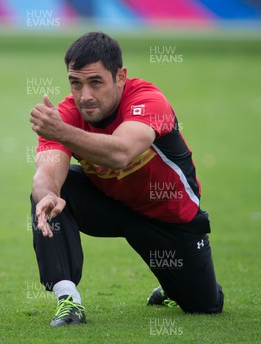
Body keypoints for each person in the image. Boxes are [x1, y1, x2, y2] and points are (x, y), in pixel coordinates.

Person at [29, 31, 223, 327]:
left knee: (205, 306)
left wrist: (62, 131)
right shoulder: (64, 116)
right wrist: (47, 192)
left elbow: (120, 154)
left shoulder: (148, 100)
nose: (85, 96)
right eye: (75, 83)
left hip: (168, 219)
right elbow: (47, 171)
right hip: (111, 206)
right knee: (49, 197)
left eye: (95, 82)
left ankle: (174, 284)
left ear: (120, 76)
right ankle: (68, 300)